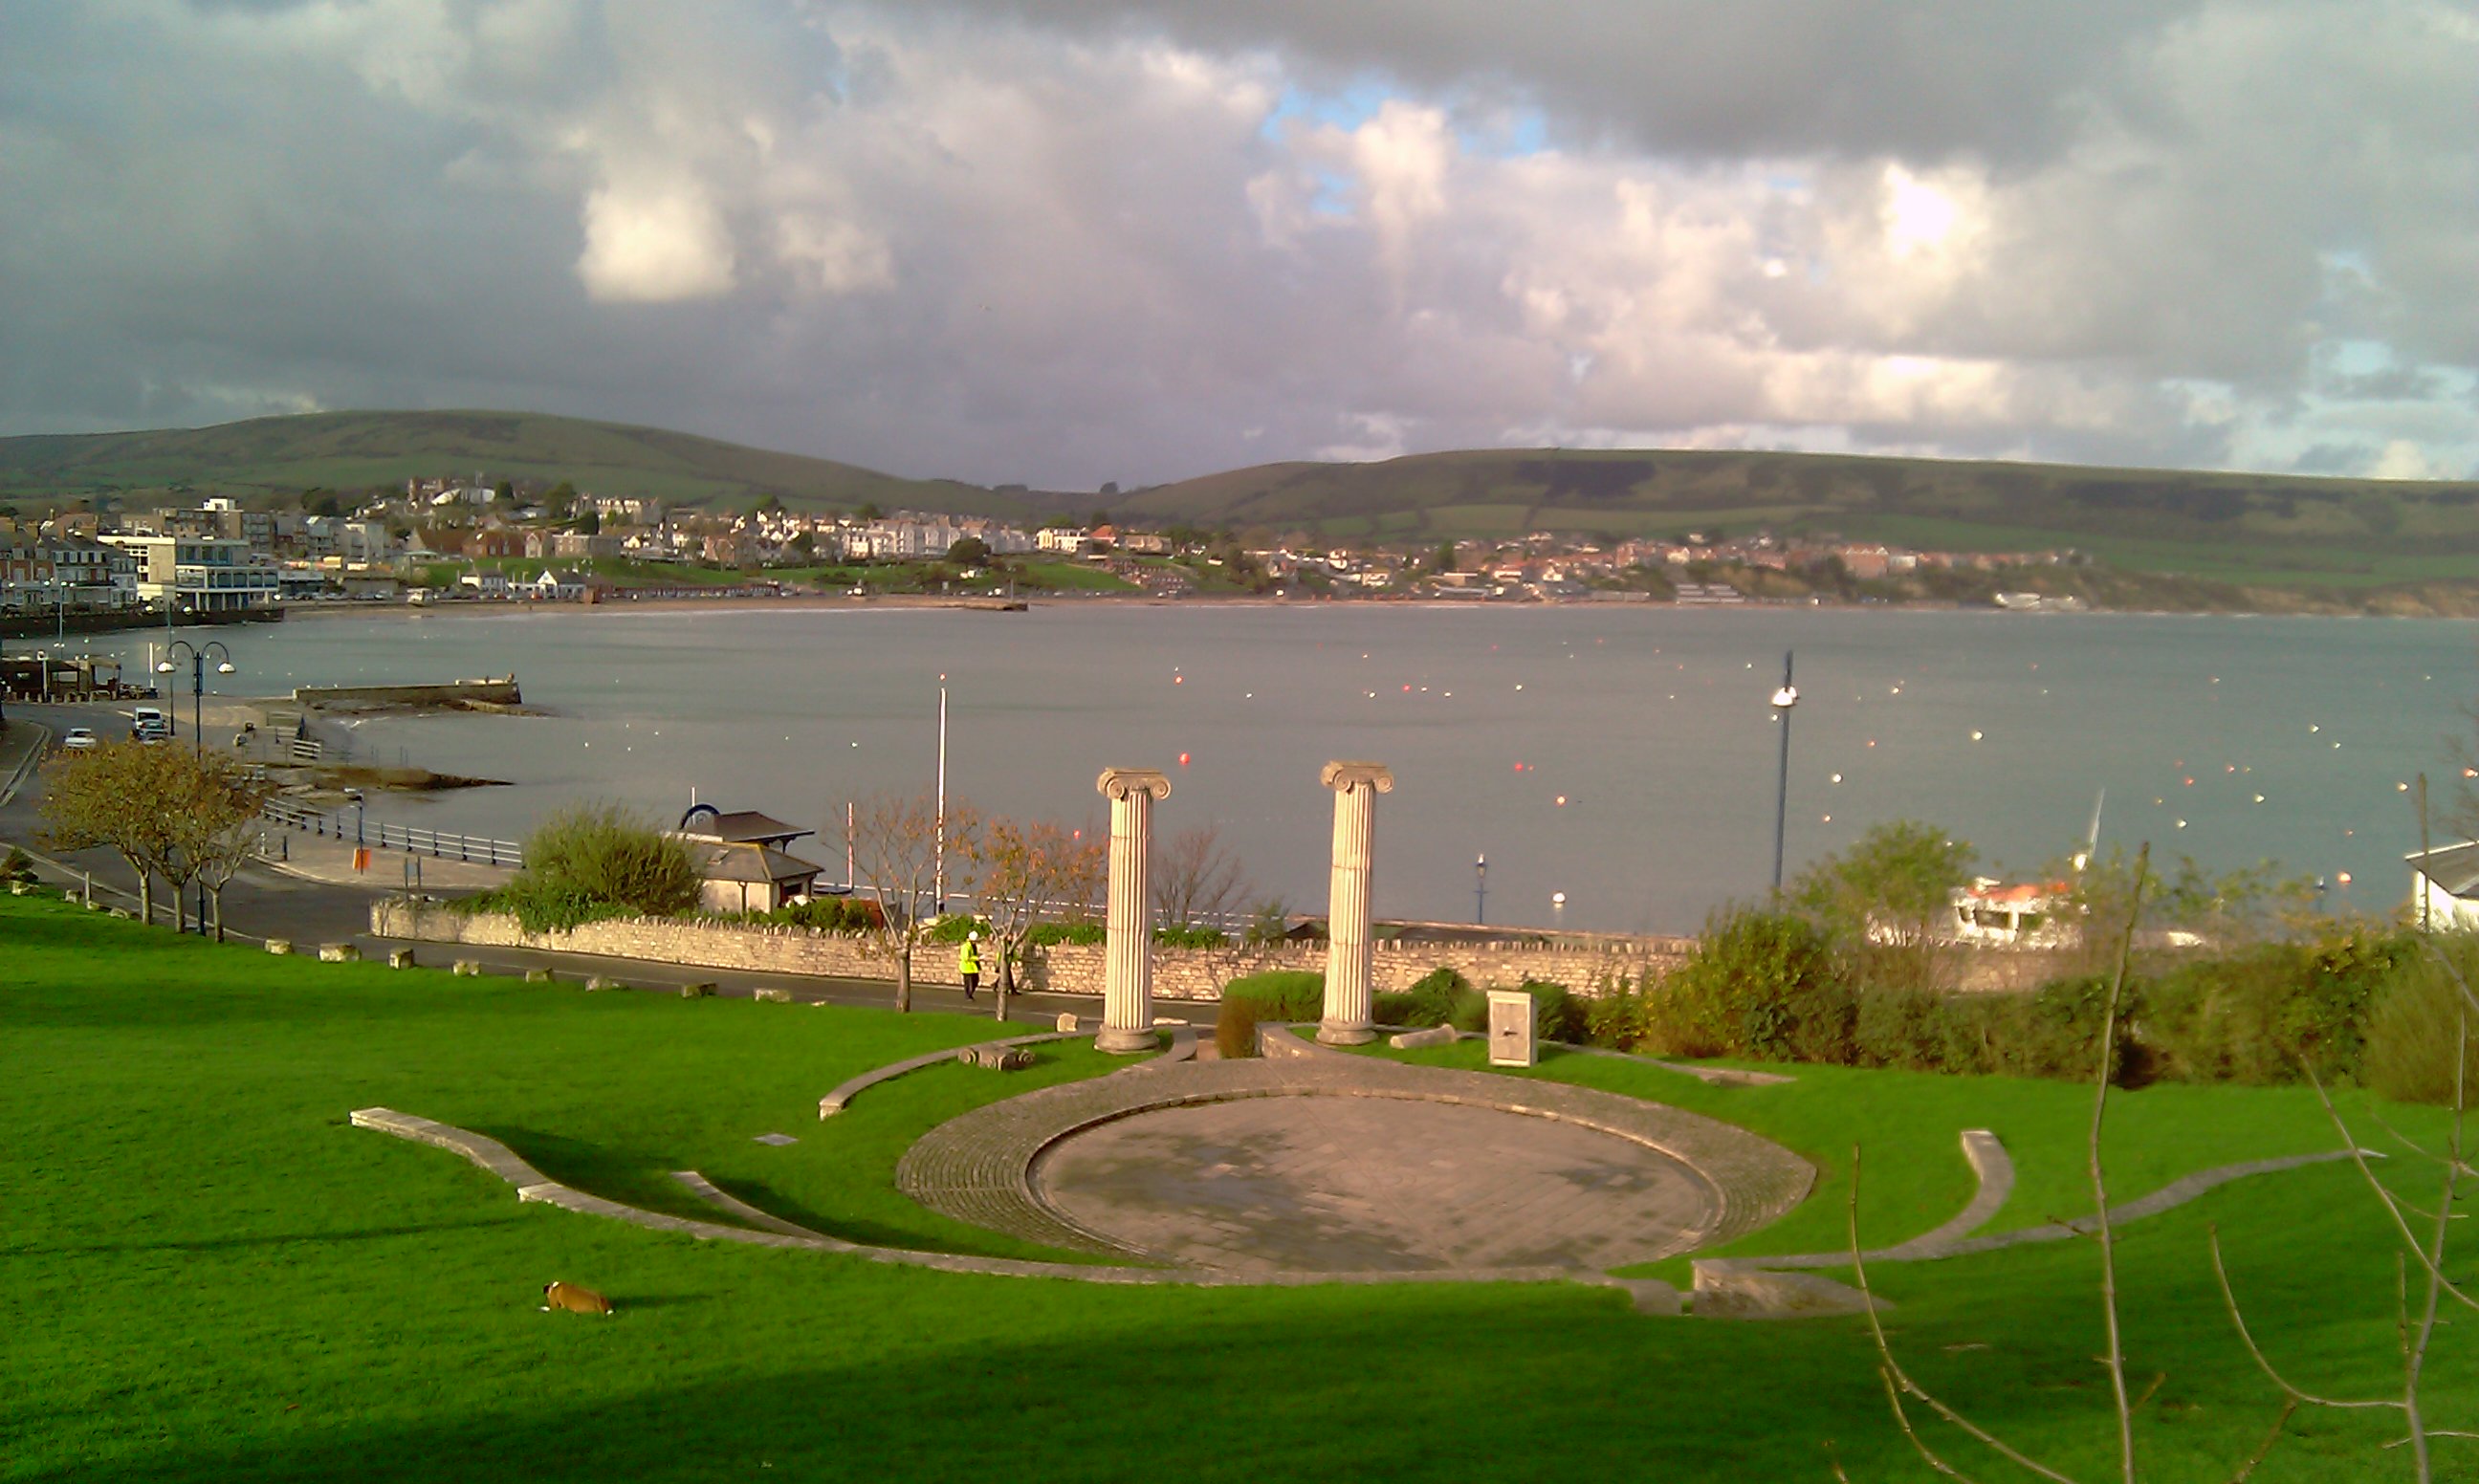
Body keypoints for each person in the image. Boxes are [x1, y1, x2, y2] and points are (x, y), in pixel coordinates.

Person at [958, 931, 982, 1001]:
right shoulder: (965, 947)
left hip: (973, 967)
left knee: (976, 981)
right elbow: (966, 958)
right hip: (967, 968)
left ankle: (970, 994)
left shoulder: (973, 946)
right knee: (969, 983)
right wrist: (977, 958)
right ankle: (968, 995)